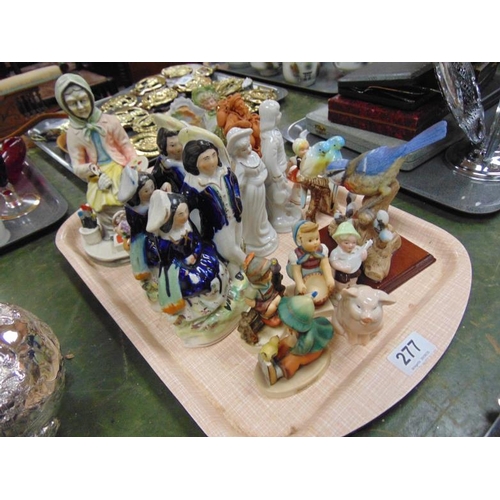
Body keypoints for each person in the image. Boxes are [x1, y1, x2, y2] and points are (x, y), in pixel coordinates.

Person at [54, 73, 143, 240]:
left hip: (121, 166)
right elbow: (77, 167)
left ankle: (138, 227)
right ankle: (116, 234)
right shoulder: (73, 133)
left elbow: (126, 146)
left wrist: (132, 168)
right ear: (65, 106)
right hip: (99, 174)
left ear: (90, 97)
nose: (80, 107)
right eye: (73, 103)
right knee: (105, 203)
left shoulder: (110, 121)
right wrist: (93, 171)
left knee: (133, 195)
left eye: (83, 100)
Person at [146, 190, 228, 319]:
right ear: (171, 217)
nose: (185, 216)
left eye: (186, 211)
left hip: (197, 258)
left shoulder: (188, 226)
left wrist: (195, 253)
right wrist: (184, 262)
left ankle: (219, 298)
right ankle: (201, 308)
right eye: (180, 214)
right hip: (180, 269)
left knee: (217, 268)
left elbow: (198, 241)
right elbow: (167, 259)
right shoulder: (165, 239)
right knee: (196, 282)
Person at [180, 138, 245, 281]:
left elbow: (235, 188)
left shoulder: (225, 173)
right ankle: (252, 266)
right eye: (206, 159)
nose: (212, 161)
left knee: (238, 244)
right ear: (194, 163)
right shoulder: (193, 185)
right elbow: (185, 209)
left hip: (235, 217)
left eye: (214, 155)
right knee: (229, 250)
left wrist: (238, 203)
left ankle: (235, 272)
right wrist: (193, 232)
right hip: (217, 227)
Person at [258, 294, 334, 386]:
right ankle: (273, 357)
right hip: (298, 341)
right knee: (285, 341)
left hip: (310, 350)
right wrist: (288, 342)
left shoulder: (309, 338)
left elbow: (302, 350)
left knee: (294, 358)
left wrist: (293, 344)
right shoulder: (296, 329)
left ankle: (276, 373)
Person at [226, 127, 278, 257]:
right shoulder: (238, 164)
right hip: (249, 194)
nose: (249, 150)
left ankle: (264, 233)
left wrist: (260, 178)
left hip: (260, 190)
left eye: (249, 146)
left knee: (262, 213)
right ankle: (253, 240)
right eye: (244, 149)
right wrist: (245, 181)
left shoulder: (254, 156)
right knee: (252, 216)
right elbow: (238, 184)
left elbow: (263, 169)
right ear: (237, 152)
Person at [259, 99, 301, 233]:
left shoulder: (274, 133)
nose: (280, 115)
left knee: (281, 196)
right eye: (277, 113)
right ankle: (278, 217)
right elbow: (269, 160)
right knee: (278, 196)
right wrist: (277, 176)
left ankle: (281, 212)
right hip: (275, 175)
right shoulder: (270, 139)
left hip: (280, 171)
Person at [117, 167, 159, 298]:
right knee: (153, 253)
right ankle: (154, 280)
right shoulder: (134, 210)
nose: (151, 191)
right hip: (145, 236)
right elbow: (140, 226)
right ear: (136, 194)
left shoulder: (155, 200)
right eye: (146, 190)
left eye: (152, 187)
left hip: (158, 232)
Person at [287, 220, 335, 307]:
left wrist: (329, 277)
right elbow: (296, 272)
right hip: (304, 274)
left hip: (318, 273)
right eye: (310, 240)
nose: (315, 242)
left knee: (324, 289)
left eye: (317, 238)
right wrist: (300, 283)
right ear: (299, 241)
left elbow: (325, 265)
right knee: (302, 291)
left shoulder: (322, 249)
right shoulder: (296, 255)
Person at [329, 220, 371, 298]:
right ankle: (339, 292)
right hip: (342, 272)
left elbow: (361, 256)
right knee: (342, 282)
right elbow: (333, 262)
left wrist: (363, 254)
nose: (351, 245)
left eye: (354, 242)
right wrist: (343, 267)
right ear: (338, 241)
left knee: (354, 277)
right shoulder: (336, 252)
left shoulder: (356, 249)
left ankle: (352, 287)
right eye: (346, 243)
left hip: (354, 269)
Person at [152, 128, 185, 192]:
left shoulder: (189, 157)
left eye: (180, 142)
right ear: (163, 147)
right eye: (172, 145)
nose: (179, 148)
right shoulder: (164, 166)